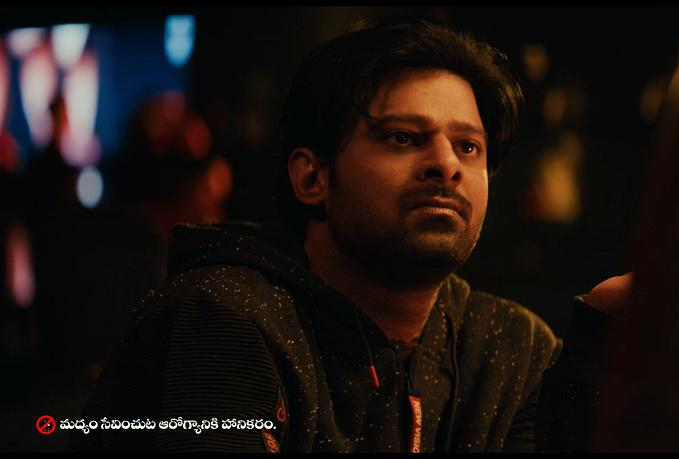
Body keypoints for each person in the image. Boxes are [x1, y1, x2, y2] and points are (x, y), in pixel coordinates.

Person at [70, 17, 621, 452]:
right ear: (312, 178)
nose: (446, 165)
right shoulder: (222, 319)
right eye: (403, 137)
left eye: (468, 146)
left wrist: (591, 370)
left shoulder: (512, 346)